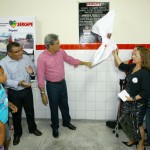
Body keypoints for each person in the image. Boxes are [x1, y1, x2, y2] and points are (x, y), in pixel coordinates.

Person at [37, 34, 92, 138]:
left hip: (62, 83)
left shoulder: (61, 52)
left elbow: (71, 60)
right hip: (52, 86)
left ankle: (66, 122)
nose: (60, 44)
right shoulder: (42, 58)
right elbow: (40, 77)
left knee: (64, 104)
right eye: (57, 43)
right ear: (50, 46)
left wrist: (84, 63)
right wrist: (43, 94)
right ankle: (55, 127)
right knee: (54, 108)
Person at [0, 42, 42, 146]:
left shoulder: (26, 58)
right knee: (16, 114)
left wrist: (32, 72)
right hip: (14, 92)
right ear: (9, 53)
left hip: (27, 91)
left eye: (21, 50)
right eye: (16, 51)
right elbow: (5, 80)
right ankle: (17, 134)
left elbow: (34, 70)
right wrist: (19, 83)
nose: (20, 53)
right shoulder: (3, 63)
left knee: (30, 111)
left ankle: (33, 129)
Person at [112, 47, 150, 150]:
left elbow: (145, 92)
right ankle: (133, 139)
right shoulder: (133, 66)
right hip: (127, 99)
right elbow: (122, 65)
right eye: (133, 54)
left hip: (138, 103)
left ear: (143, 58)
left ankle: (141, 145)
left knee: (138, 124)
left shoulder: (145, 72)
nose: (132, 56)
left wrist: (132, 98)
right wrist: (115, 54)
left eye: (135, 55)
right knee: (126, 121)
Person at [0, 65, 18, 149]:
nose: (5, 75)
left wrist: (10, 104)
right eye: (2, 74)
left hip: (4, 121)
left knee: (7, 140)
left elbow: (3, 99)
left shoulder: (1, 86)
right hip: (1, 124)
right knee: (2, 142)